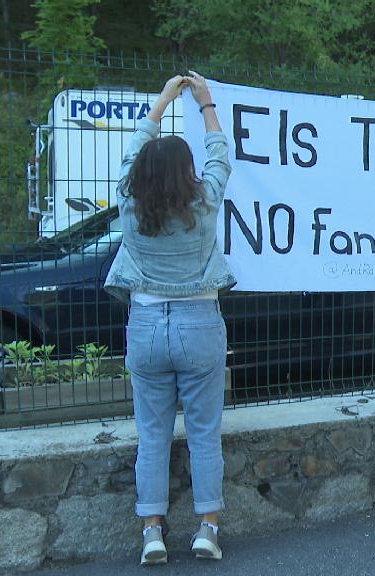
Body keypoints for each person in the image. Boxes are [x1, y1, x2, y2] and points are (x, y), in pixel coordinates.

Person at [104, 72, 235, 564]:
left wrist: (160, 102)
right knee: (204, 432)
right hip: (200, 324)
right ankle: (207, 530)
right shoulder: (203, 203)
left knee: (152, 434)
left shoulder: (128, 202)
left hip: (146, 325)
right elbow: (221, 158)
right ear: (187, 173)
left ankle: (152, 532)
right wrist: (205, 105)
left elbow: (134, 151)